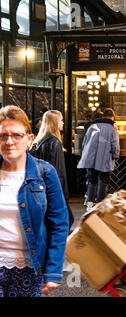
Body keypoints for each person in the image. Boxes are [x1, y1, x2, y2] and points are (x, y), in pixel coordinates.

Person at [0, 106, 69, 297]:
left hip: (28, 269)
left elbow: (59, 223)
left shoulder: (45, 173)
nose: (9, 142)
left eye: (17, 135)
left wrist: (53, 270)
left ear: (29, 139)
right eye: (3, 136)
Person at [30, 110, 74, 229]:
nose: (63, 123)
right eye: (61, 120)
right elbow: (58, 171)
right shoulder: (55, 143)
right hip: (54, 190)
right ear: (55, 123)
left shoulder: (38, 142)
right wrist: (62, 194)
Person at [77, 108, 120, 210]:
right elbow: (115, 144)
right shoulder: (112, 128)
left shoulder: (92, 126)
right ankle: (100, 203)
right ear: (112, 117)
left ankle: (90, 202)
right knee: (103, 179)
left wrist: (85, 153)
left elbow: (84, 141)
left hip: (90, 157)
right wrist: (115, 155)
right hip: (104, 157)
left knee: (91, 179)